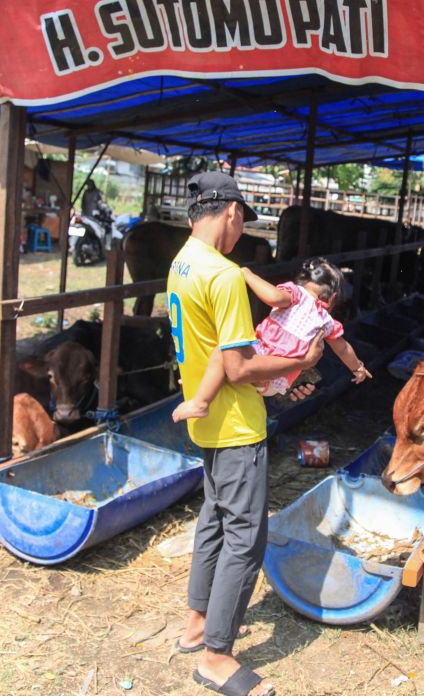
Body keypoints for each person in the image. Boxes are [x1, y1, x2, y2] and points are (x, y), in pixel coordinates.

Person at [168, 171, 322, 696]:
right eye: (242, 222)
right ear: (231, 212)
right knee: (244, 538)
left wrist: (276, 379)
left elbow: (215, 353)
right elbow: (236, 366)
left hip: (207, 422)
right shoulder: (225, 275)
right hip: (235, 426)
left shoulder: (181, 263)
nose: (241, 232)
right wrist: (300, 360)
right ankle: (216, 655)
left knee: (213, 520)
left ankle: (196, 624)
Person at [171, 257, 371, 422]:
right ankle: (202, 382)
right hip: (277, 381)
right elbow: (343, 349)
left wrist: (248, 275)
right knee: (229, 364)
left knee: (223, 351)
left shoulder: (295, 294)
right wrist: (358, 368)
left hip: (260, 359)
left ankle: (200, 400)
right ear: (333, 298)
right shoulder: (326, 321)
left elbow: (274, 297)